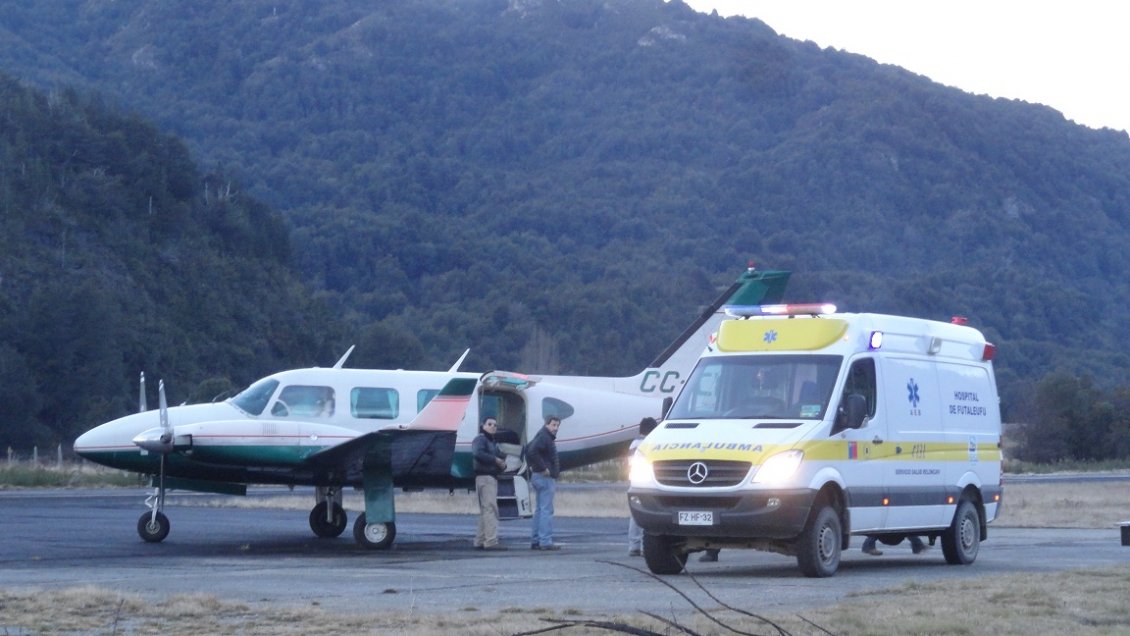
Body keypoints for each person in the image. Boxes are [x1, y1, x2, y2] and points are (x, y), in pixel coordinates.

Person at [472, 416, 508, 551]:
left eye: (495, 425)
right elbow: (477, 453)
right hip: (486, 478)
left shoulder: (491, 442)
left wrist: (502, 465)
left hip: (487, 477)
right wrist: (495, 460)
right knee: (491, 509)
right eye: (490, 424)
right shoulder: (481, 439)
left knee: (485, 510)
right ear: (483, 426)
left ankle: (480, 540)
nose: (493, 426)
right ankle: (491, 540)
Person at [527, 415, 562, 551]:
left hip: (538, 476)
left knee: (540, 510)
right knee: (546, 510)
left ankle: (536, 539)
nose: (555, 428)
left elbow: (529, 449)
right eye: (553, 425)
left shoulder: (541, 436)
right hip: (544, 478)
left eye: (557, 425)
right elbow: (532, 451)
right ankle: (545, 541)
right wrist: (543, 468)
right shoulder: (545, 437)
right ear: (547, 424)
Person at [627, 416, 658, 556]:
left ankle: (633, 545)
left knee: (635, 515)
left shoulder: (633, 444)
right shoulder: (650, 444)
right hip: (647, 484)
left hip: (634, 481)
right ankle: (646, 548)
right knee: (649, 515)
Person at [862, 534, 928, 556]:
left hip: (897, 536)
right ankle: (869, 547)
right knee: (876, 531)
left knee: (906, 529)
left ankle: (918, 546)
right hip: (885, 535)